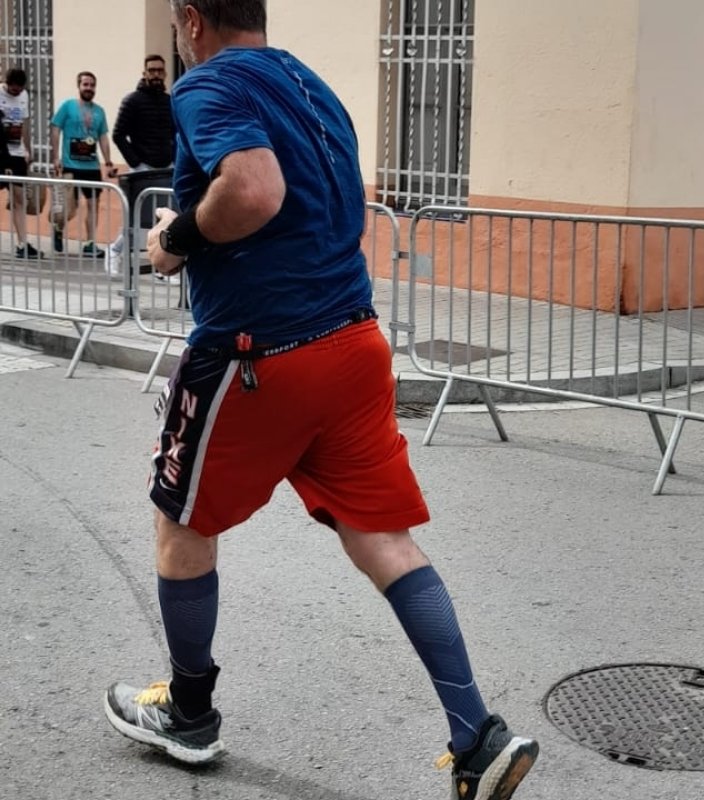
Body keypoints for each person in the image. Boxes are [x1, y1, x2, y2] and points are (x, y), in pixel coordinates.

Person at [102, 2, 538, 798]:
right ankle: (477, 735)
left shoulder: (207, 86)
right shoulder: (311, 84)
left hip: (258, 352)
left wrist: (174, 240)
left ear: (191, 20)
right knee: (385, 540)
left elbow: (255, 189)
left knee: (181, 521)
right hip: (353, 341)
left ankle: (189, 715)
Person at [106, 53, 175, 278]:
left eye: (159, 70)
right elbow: (118, 135)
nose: (156, 74)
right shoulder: (132, 101)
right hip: (142, 169)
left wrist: (174, 157)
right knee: (137, 220)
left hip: (166, 167)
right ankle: (114, 251)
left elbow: (176, 133)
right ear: (144, 73)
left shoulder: (170, 101)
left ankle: (162, 267)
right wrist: (136, 162)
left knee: (167, 219)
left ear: (165, 73)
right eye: (151, 70)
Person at [50, 71, 117, 258]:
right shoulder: (68, 106)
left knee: (93, 204)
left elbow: (103, 137)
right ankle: (58, 228)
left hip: (91, 167)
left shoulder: (99, 111)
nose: (89, 88)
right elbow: (55, 129)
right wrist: (55, 157)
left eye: (92, 85)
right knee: (68, 208)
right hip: (70, 165)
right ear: (78, 86)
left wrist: (108, 161)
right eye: (85, 84)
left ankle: (90, 243)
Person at [0, 68, 41, 259]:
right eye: (12, 90)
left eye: (19, 89)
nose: (16, 92)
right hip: (1, 152)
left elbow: (25, 124)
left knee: (19, 199)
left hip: (17, 153)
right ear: (6, 84)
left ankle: (22, 243)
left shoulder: (24, 96)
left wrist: (28, 149)